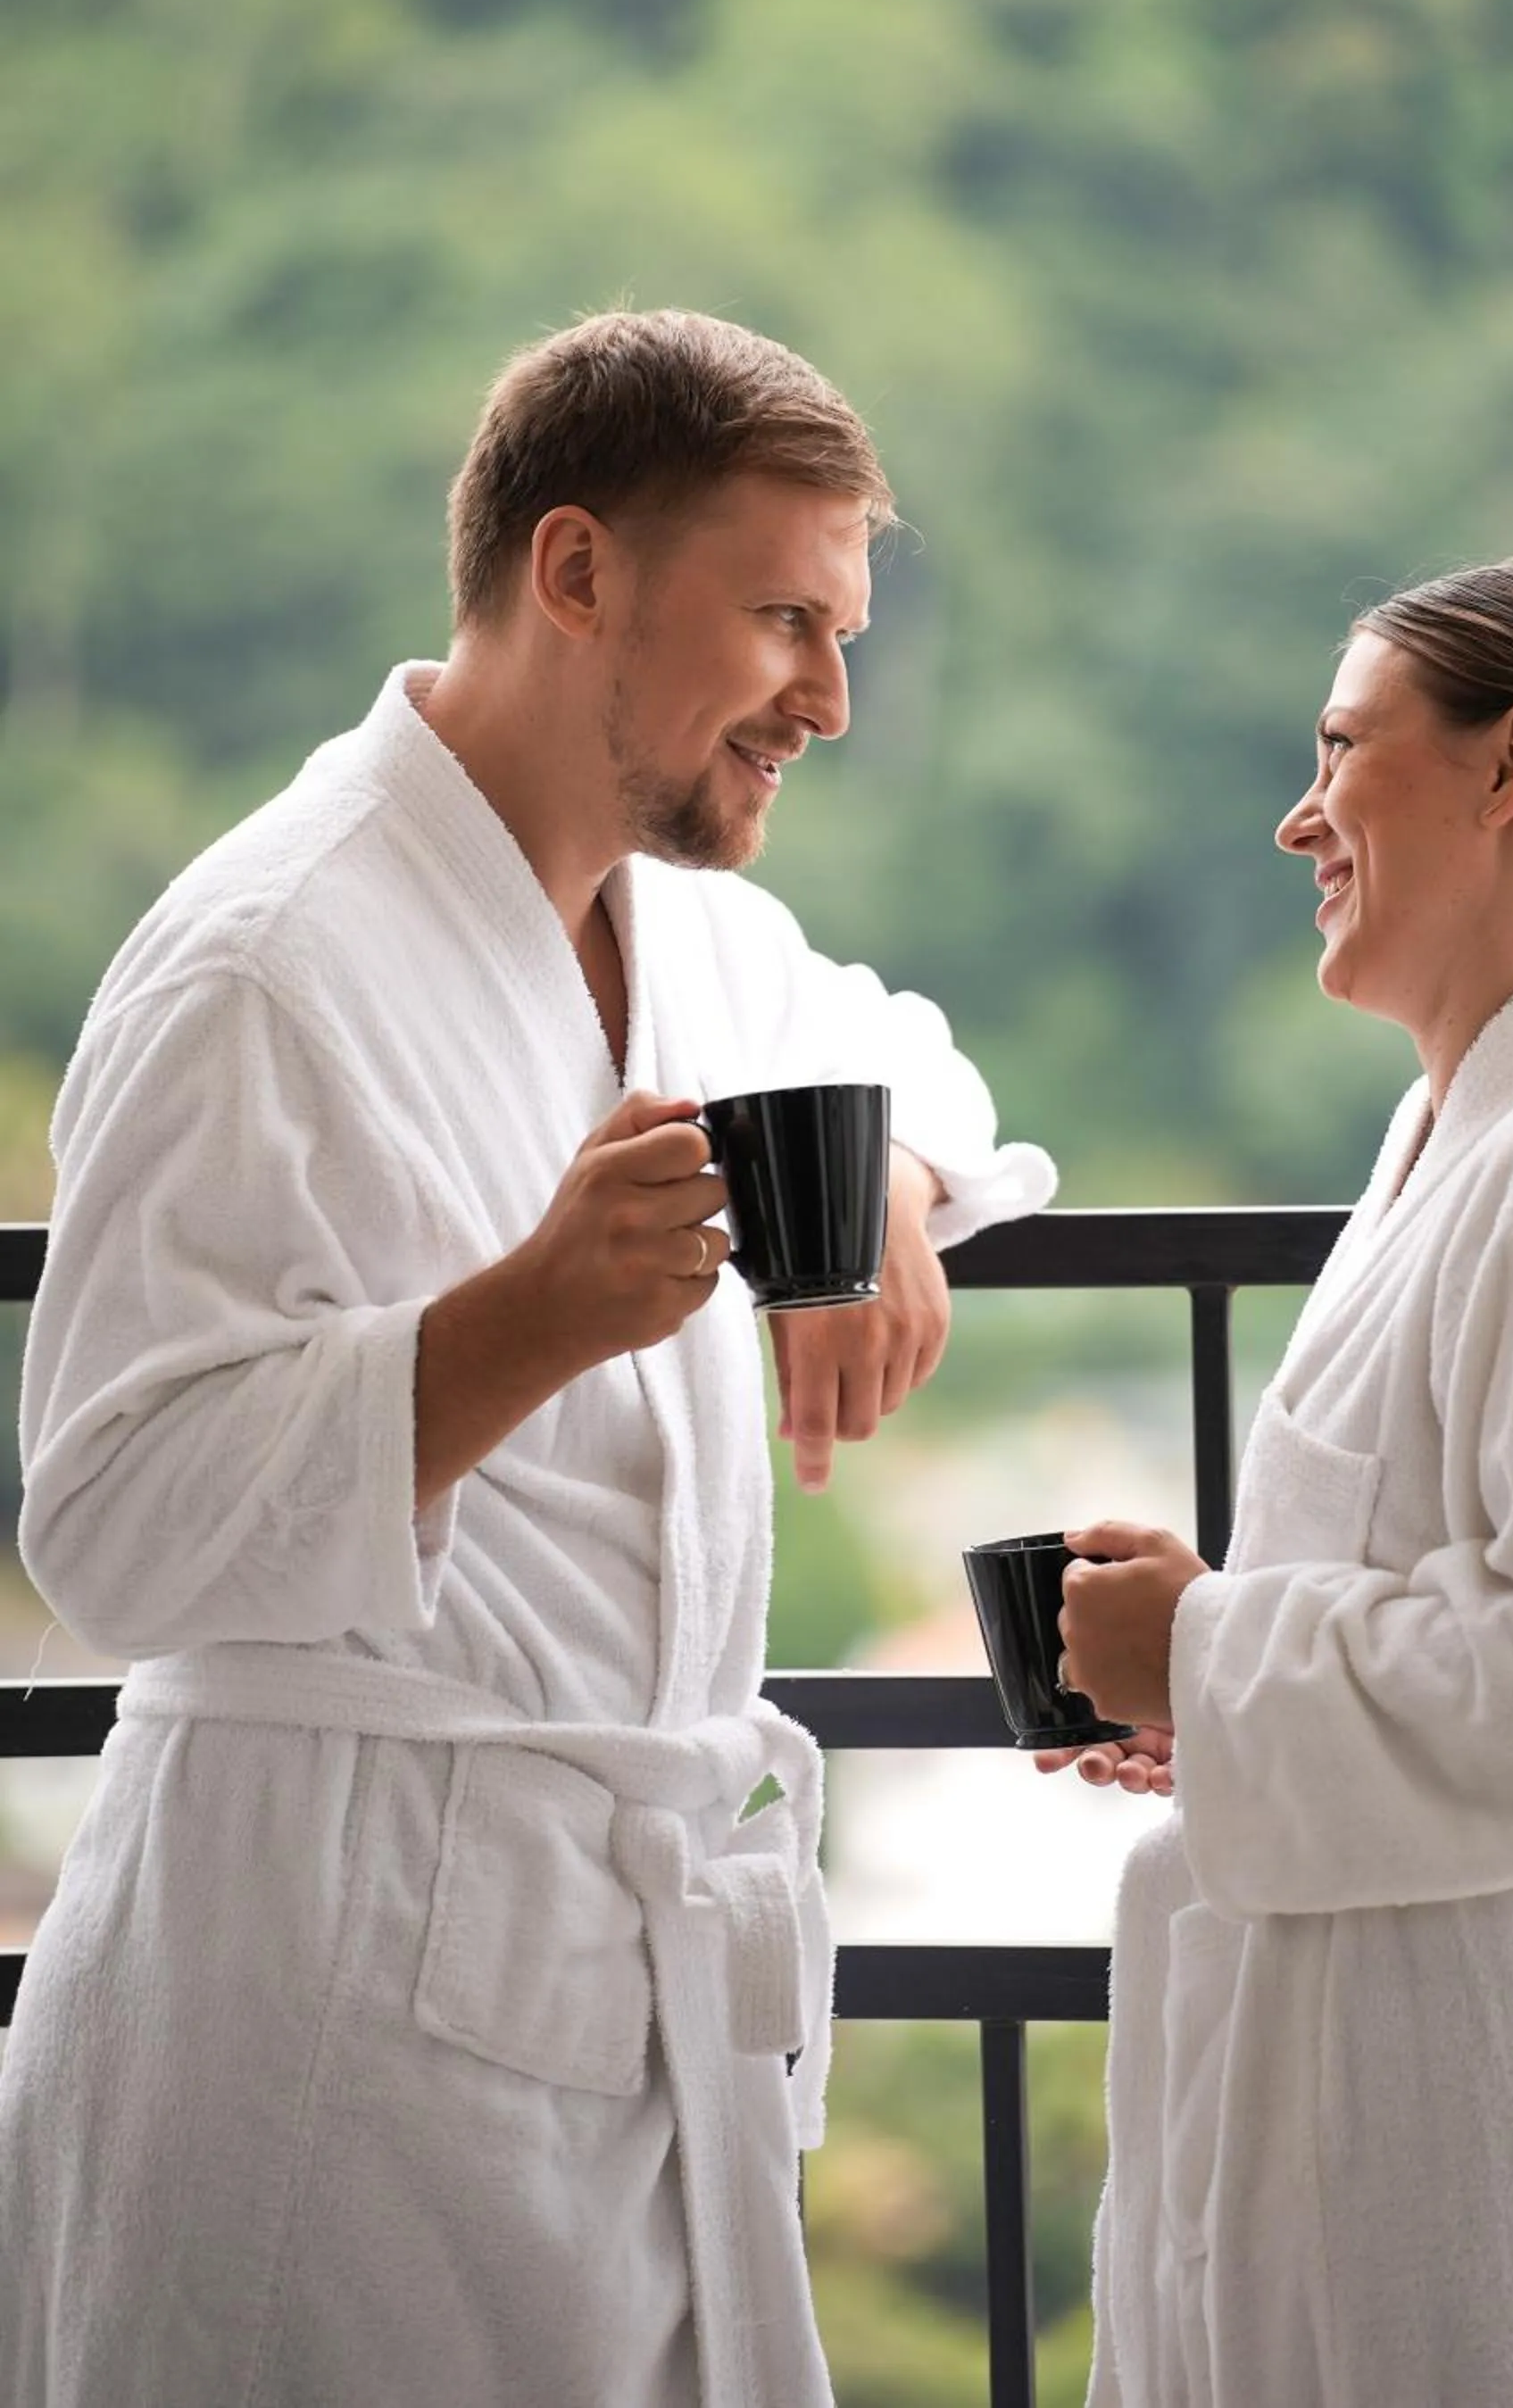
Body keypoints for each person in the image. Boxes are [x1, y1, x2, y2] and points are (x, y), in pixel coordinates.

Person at [0, 308, 1055, 2408]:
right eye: (781, 621)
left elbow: (908, 1048)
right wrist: (520, 1321)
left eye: (839, 631)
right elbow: (105, 1533)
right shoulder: (262, 965)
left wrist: (913, 1190)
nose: (827, 699)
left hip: (609, 1984)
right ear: (574, 575)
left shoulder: (687, 937)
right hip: (327, 1992)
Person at [1045, 557, 1513, 2407]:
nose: (1299, 813)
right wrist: (1215, 1671)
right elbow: (1495, 1574)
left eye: (1343, 748)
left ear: (1512, 761)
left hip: (1497, 2146)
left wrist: (1217, 1656)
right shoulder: (1481, 1123)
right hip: (1422, 2102)